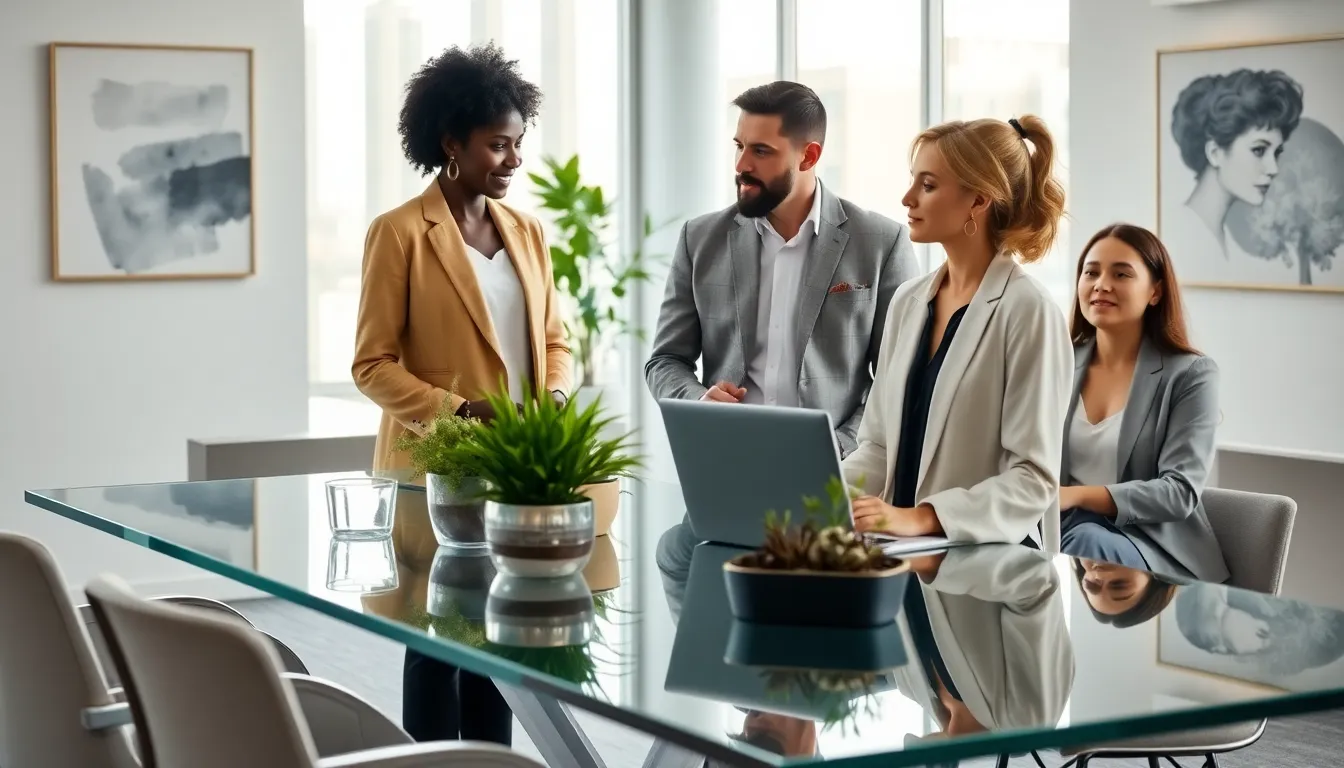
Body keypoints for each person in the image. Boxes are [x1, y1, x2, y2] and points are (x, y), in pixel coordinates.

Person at [351, 42, 571, 745]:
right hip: (433, 476)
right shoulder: (399, 235)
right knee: (435, 639)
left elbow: (556, 341)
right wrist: (459, 412)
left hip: (517, 470)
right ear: (451, 143)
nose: (512, 160)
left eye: (517, 145)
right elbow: (371, 364)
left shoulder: (529, 232)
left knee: (499, 639)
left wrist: (556, 400)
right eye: (496, 145)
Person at [644, 81, 917, 457]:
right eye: (739, 146)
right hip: (724, 463)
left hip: (836, 474)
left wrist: (837, 447)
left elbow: (898, 377)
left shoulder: (883, 243)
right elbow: (665, 361)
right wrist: (697, 403)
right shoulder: (700, 238)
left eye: (761, 151)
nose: (741, 165)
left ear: (808, 156)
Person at [842, 116, 1072, 547]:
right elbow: (877, 447)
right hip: (900, 554)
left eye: (928, 186)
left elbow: (1033, 479)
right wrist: (817, 498)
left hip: (987, 565)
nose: (908, 198)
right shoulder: (908, 303)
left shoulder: (1029, 311)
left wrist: (919, 519)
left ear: (979, 200)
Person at [1058, 223, 1230, 584]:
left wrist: (1076, 496)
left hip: (1152, 546)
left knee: (1083, 537)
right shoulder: (1058, 362)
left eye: (1121, 274)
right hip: (1063, 532)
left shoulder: (1191, 375)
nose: (1101, 284)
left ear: (1155, 292)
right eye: (1091, 272)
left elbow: (1179, 492)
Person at [1171, 69, 1303, 256]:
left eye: (1276, 153)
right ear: (1215, 153)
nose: (1273, 169)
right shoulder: (1178, 235)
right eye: (1258, 150)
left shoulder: (1227, 244)